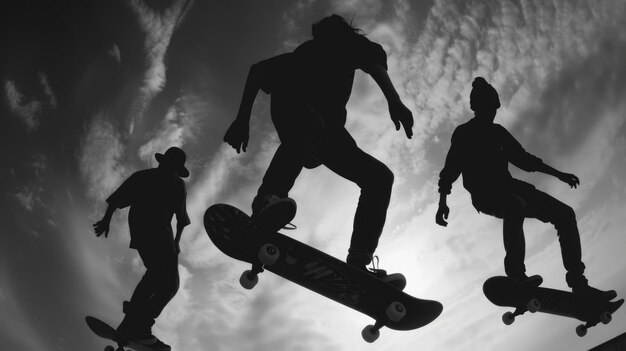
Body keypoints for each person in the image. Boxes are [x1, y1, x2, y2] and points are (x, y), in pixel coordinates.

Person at [223, 14, 414, 287]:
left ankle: (359, 258)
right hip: (295, 114)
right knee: (311, 122)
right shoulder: (306, 55)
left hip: (329, 137)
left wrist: (394, 101)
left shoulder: (348, 45)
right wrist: (242, 121)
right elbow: (258, 71)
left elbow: (373, 65)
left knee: (379, 178)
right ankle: (267, 198)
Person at [435, 77, 617, 300]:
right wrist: (442, 201)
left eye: (492, 105)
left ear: (497, 105)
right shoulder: (464, 133)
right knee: (514, 204)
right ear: (476, 107)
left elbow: (525, 160)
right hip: (485, 194)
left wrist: (559, 174)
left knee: (565, 214)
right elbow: (451, 169)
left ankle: (579, 283)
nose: (490, 111)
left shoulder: (499, 133)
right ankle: (516, 276)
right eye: (485, 106)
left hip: (511, 188)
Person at [93, 146, 190, 351]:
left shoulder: (156, 179)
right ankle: (139, 326)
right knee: (164, 278)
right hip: (158, 235)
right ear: (165, 163)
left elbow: (181, 220)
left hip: (148, 235)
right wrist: (176, 243)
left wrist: (106, 220)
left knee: (162, 279)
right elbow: (118, 199)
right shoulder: (167, 182)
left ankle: (133, 325)